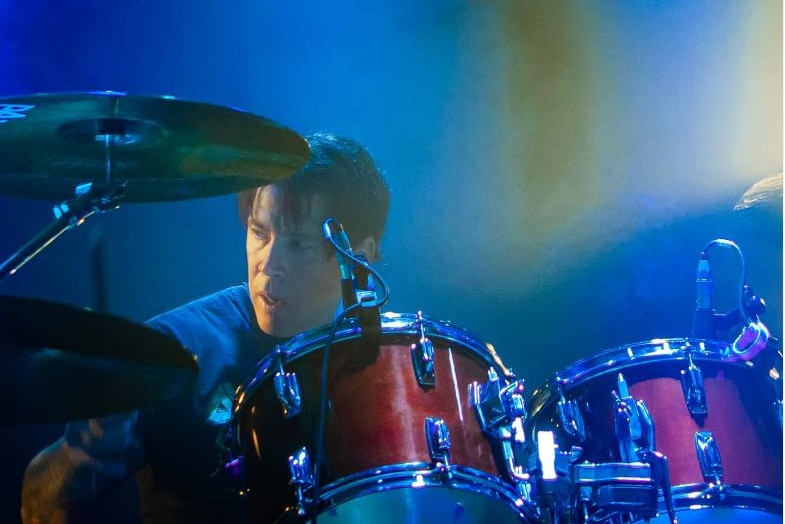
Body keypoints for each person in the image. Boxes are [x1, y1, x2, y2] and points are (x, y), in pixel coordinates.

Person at [20, 132, 391, 524]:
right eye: (259, 233)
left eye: (298, 244)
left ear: (359, 257)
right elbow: (37, 506)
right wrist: (79, 456)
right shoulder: (171, 349)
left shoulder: (390, 363)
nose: (267, 261)